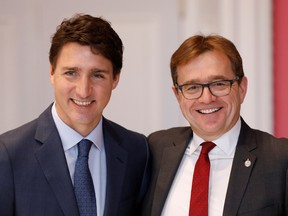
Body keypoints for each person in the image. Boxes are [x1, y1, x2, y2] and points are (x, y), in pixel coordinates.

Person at [0, 14, 149, 216]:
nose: (83, 91)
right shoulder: (8, 154)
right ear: (52, 72)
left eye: (97, 75)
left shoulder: (137, 150)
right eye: (71, 73)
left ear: (115, 79)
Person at [142, 34, 288, 216]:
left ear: (241, 88)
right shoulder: (155, 148)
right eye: (192, 87)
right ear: (178, 95)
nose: (207, 98)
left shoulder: (281, 158)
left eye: (219, 84)